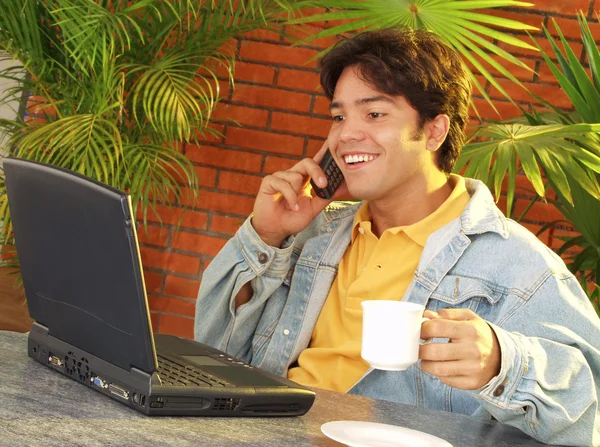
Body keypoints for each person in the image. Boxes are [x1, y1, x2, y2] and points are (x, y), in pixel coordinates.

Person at [194, 27, 600, 446]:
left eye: (374, 114)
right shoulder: (313, 232)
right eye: (338, 116)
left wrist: (503, 362)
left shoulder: (519, 265)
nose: (345, 134)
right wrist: (266, 235)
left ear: (433, 131)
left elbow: (590, 414)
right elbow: (211, 355)